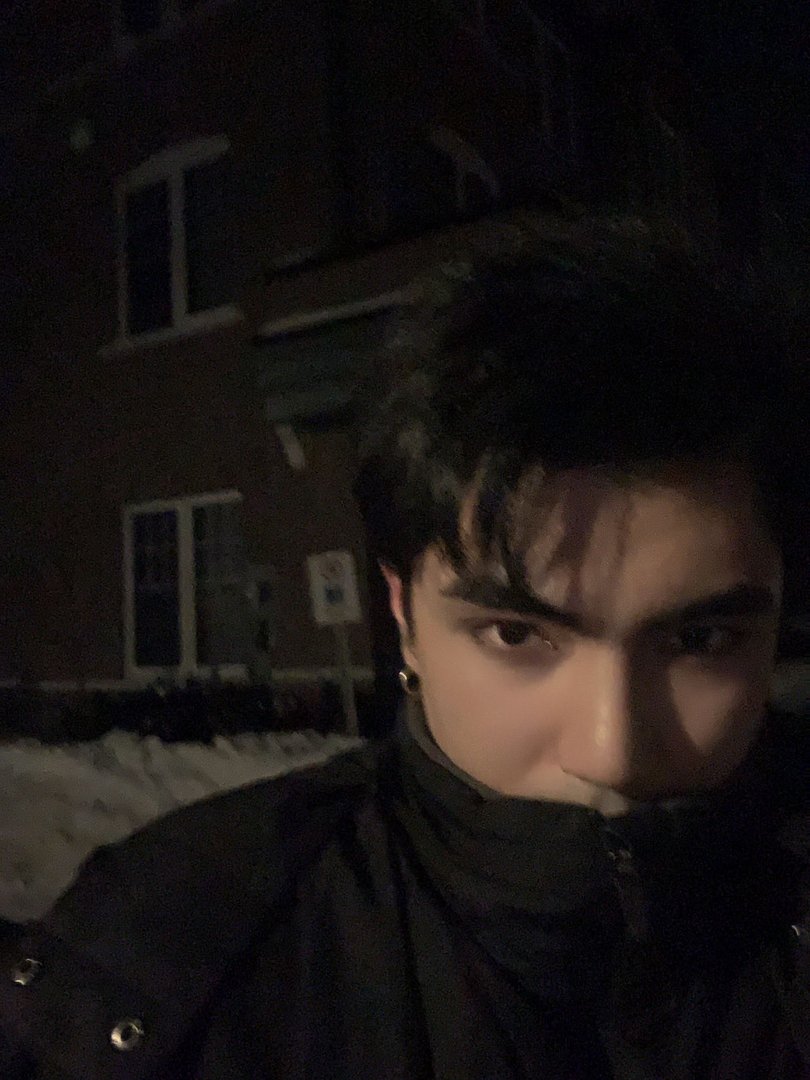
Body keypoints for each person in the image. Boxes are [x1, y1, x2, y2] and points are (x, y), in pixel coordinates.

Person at [1, 214, 808, 1079]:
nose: (613, 750)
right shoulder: (170, 961)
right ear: (404, 616)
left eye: (700, 639)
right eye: (516, 633)